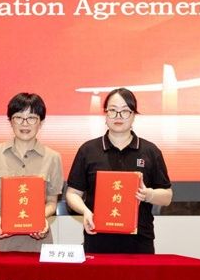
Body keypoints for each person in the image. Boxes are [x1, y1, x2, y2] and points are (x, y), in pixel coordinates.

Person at [66, 87, 172, 254]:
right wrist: (86, 212)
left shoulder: (150, 151)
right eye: (113, 110)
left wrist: (149, 194)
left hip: (139, 241)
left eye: (125, 111)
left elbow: (167, 196)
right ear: (105, 114)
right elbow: (72, 194)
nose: (118, 116)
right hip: (97, 239)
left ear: (133, 115)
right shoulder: (88, 150)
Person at [0, 92, 63, 251]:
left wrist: (41, 218)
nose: (25, 124)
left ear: (41, 122)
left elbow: (52, 202)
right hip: (0, 241)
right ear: (10, 121)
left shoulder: (53, 157)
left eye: (32, 118)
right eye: (18, 117)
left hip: (37, 241)